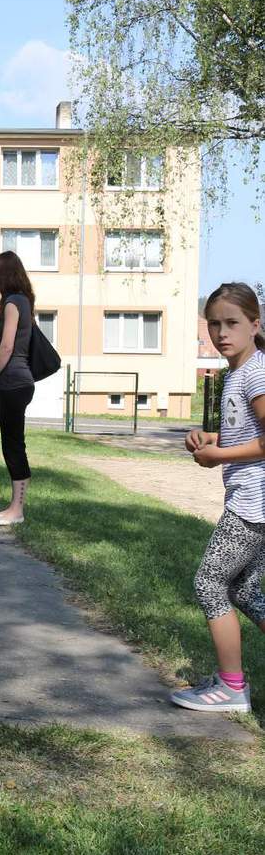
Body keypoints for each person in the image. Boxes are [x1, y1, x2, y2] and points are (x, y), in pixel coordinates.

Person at [171, 282, 265, 714]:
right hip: (253, 501)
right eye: (214, 324)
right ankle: (231, 684)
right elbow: (248, 433)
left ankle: (231, 689)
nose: (222, 333)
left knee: (209, 583)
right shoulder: (239, 372)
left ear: (254, 325)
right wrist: (210, 439)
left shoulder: (256, 374)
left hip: (253, 504)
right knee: (244, 590)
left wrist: (219, 456)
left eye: (232, 323)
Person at [0, 251, 35, 526]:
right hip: (18, 382)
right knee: (12, 444)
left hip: (13, 381)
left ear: (6, 273)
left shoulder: (13, 302)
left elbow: (7, 347)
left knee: (13, 445)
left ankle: (17, 511)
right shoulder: (22, 301)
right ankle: (14, 507)